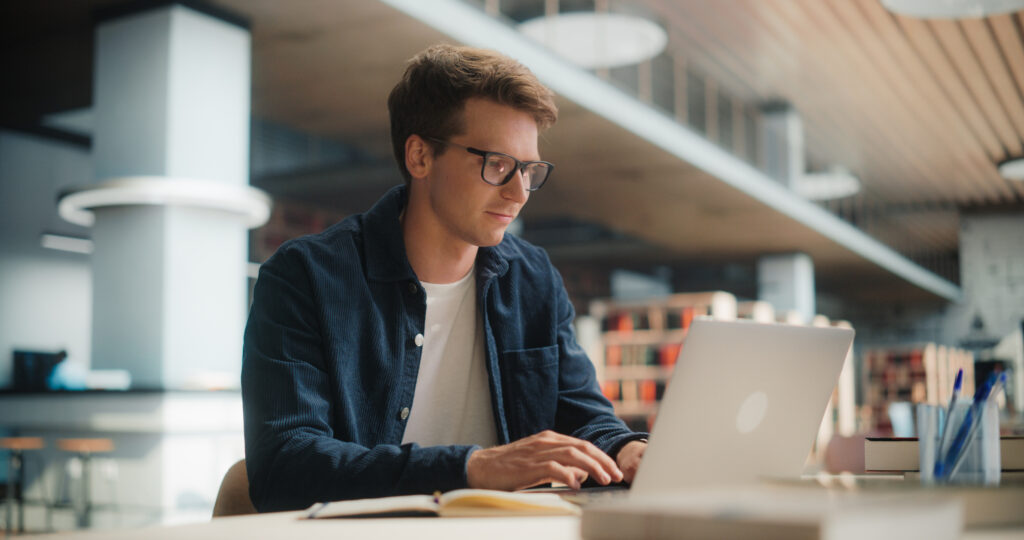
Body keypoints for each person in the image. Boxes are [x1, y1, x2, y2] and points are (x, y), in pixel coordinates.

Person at [242, 44, 647, 512]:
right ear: (420, 156)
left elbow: (584, 418)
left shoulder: (534, 277)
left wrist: (626, 448)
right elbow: (284, 467)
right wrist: (473, 467)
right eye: (496, 164)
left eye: (530, 170)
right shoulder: (304, 278)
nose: (519, 193)